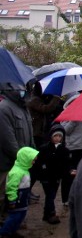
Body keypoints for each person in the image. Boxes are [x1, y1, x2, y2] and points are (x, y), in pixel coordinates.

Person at [0, 82, 34, 216]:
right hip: (8, 164)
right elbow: (7, 140)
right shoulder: (4, 109)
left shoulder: (23, 108)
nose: (24, 91)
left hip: (21, 163)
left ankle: (10, 226)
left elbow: (29, 134)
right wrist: (24, 158)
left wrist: (33, 153)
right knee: (4, 194)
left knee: (17, 195)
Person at [34, 124, 71, 225]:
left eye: (59, 136)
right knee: (50, 195)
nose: (57, 138)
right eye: (55, 136)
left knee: (51, 195)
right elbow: (39, 162)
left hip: (56, 177)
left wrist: (67, 172)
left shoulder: (64, 150)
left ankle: (47, 214)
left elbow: (66, 164)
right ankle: (51, 213)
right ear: (51, 136)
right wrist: (43, 170)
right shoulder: (44, 149)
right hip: (46, 176)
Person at [0, 146, 38, 238]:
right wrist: (12, 199)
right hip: (17, 197)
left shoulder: (24, 169)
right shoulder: (16, 172)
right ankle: (4, 233)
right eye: (32, 160)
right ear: (25, 159)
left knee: (21, 215)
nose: (33, 162)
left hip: (23, 197)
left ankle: (12, 231)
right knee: (14, 216)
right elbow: (11, 187)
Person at [26, 82, 62, 149]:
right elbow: (45, 109)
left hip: (40, 129)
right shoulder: (34, 100)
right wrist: (56, 98)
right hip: (37, 130)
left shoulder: (39, 98)